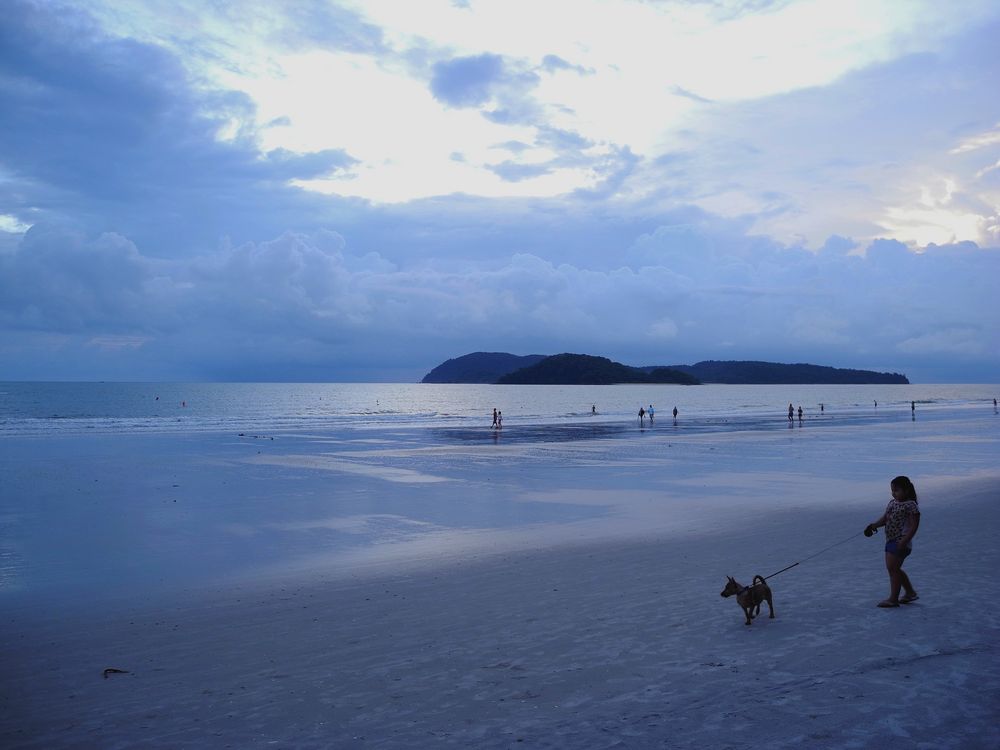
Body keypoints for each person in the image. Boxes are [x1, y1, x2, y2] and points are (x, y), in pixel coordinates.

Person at [864, 475, 920, 608]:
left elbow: (914, 526)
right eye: (892, 490)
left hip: (901, 542)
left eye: (897, 490)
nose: (893, 493)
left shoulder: (911, 505)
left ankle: (893, 599)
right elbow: (885, 519)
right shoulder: (892, 503)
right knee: (895, 569)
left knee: (893, 569)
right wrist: (873, 526)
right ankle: (910, 593)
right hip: (890, 539)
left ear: (906, 490)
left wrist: (905, 541)